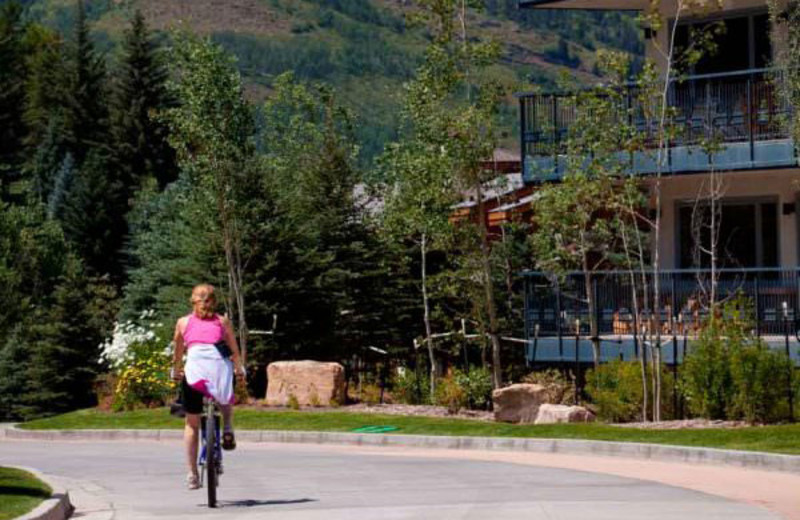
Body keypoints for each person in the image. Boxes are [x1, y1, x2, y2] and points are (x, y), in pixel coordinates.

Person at [171, 284, 246, 490]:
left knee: (191, 424)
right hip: (219, 370)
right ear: (214, 301)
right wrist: (239, 368)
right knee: (224, 392)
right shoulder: (223, 322)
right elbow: (234, 351)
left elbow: (178, 354)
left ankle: (192, 474)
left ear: (192, 300)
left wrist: (175, 371)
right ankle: (228, 426)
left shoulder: (183, 323)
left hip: (195, 374)